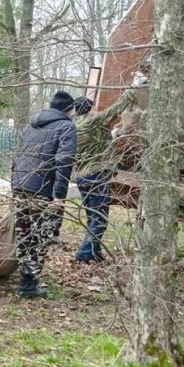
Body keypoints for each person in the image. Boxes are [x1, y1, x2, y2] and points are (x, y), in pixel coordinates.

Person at [11, 90, 76, 298]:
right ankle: (28, 285)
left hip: (21, 185)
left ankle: (25, 278)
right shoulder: (66, 126)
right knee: (39, 235)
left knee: (24, 233)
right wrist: (59, 195)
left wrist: (15, 183)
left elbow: (18, 155)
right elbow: (65, 161)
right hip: (42, 190)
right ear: (69, 110)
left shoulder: (32, 125)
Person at [71, 90, 135, 263]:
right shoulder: (91, 122)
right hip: (95, 175)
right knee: (100, 219)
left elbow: (97, 140)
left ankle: (94, 252)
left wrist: (112, 135)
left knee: (93, 216)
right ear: (88, 108)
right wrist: (131, 92)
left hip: (81, 177)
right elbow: (113, 111)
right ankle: (83, 254)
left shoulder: (75, 124)